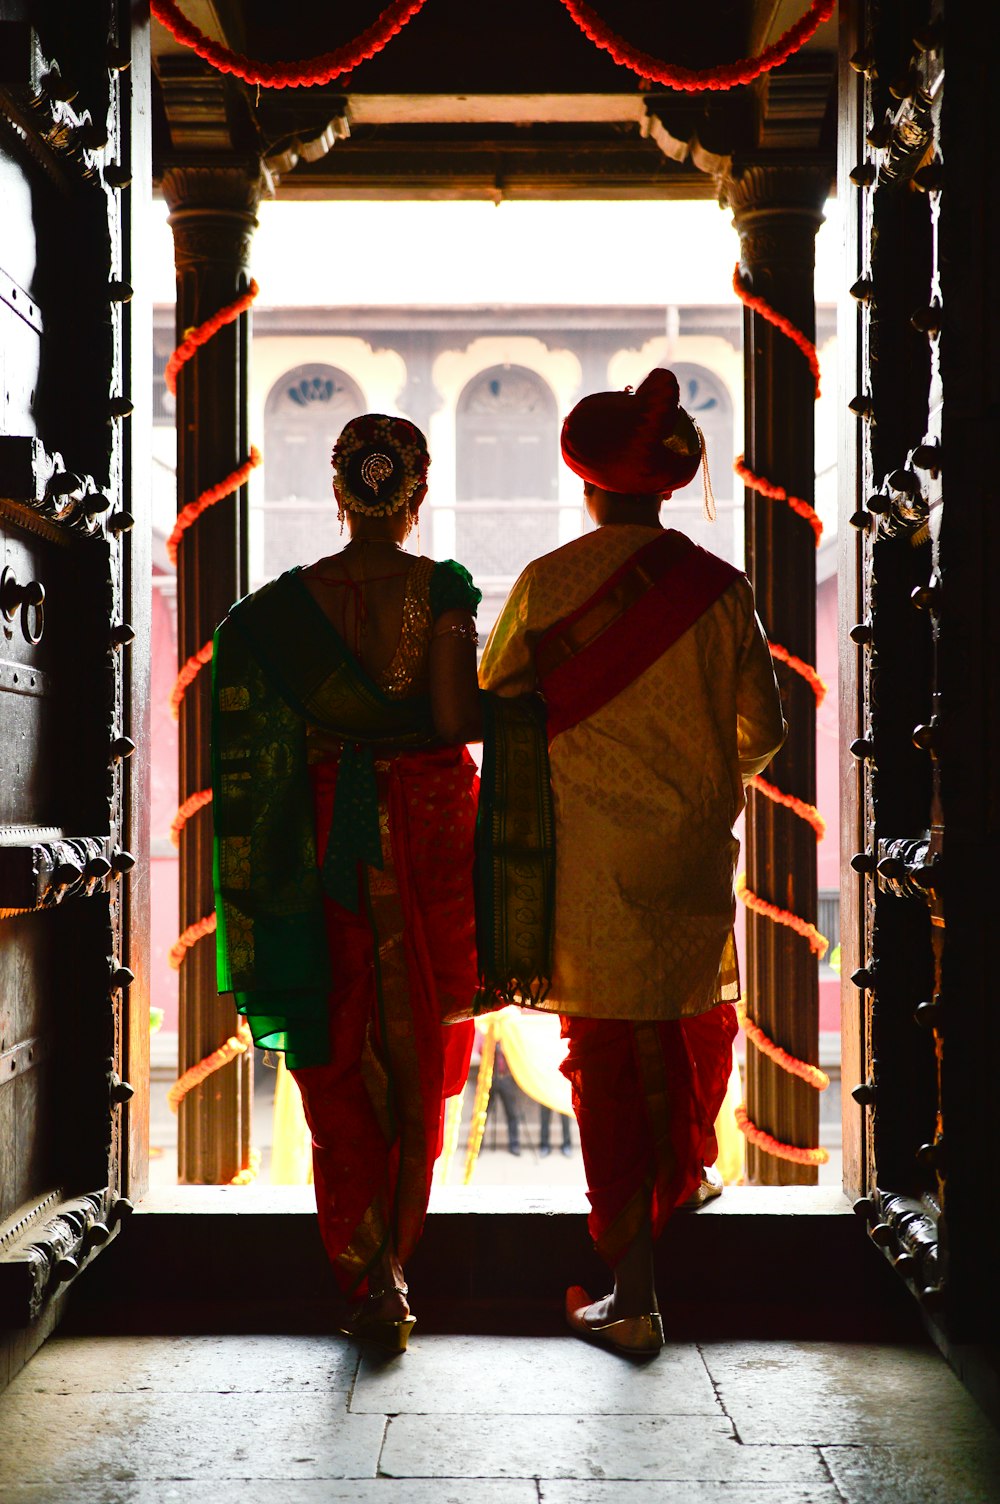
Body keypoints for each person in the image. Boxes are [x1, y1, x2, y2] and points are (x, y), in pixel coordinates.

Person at [478, 368, 786, 1356]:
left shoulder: (546, 583)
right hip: (693, 853)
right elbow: (765, 732)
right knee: (687, 1034)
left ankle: (634, 1292)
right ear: (665, 482)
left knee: (605, 1063)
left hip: (586, 864)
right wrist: (699, 777)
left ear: (586, 482)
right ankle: (685, 1181)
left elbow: (498, 701)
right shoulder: (719, 589)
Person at [212, 412, 484, 1353]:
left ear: (340, 493)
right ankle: (396, 1265)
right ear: (414, 494)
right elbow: (451, 720)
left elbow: (246, 737)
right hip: (416, 842)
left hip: (314, 842)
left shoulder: (279, 612)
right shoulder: (440, 591)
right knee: (414, 1049)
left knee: (331, 1048)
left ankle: (370, 1277)